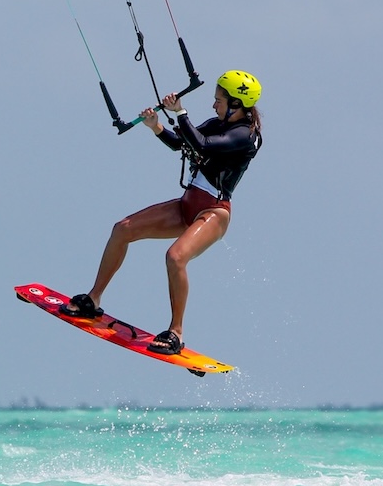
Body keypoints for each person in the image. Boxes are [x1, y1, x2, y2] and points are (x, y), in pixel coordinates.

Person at [59, 70, 262, 355]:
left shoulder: (245, 136)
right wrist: (156, 127)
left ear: (236, 105)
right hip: (186, 205)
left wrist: (180, 111)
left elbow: (202, 145)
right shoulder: (217, 124)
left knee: (175, 256)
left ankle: (176, 332)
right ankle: (93, 299)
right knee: (123, 228)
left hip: (213, 212)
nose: (214, 105)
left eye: (218, 100)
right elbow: (184, 143)